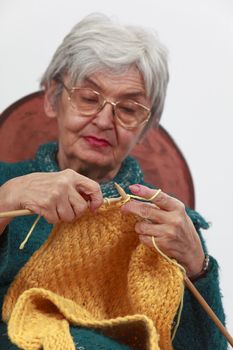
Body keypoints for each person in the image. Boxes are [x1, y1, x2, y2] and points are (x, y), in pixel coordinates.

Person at [0, 13, 227, 350]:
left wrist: (198, 267)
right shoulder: (6, 185)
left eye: (129, 109)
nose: (105, 120)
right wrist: (5, 201)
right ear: (52, 99)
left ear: (147, 127)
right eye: (89, 98)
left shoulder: (171, 225)